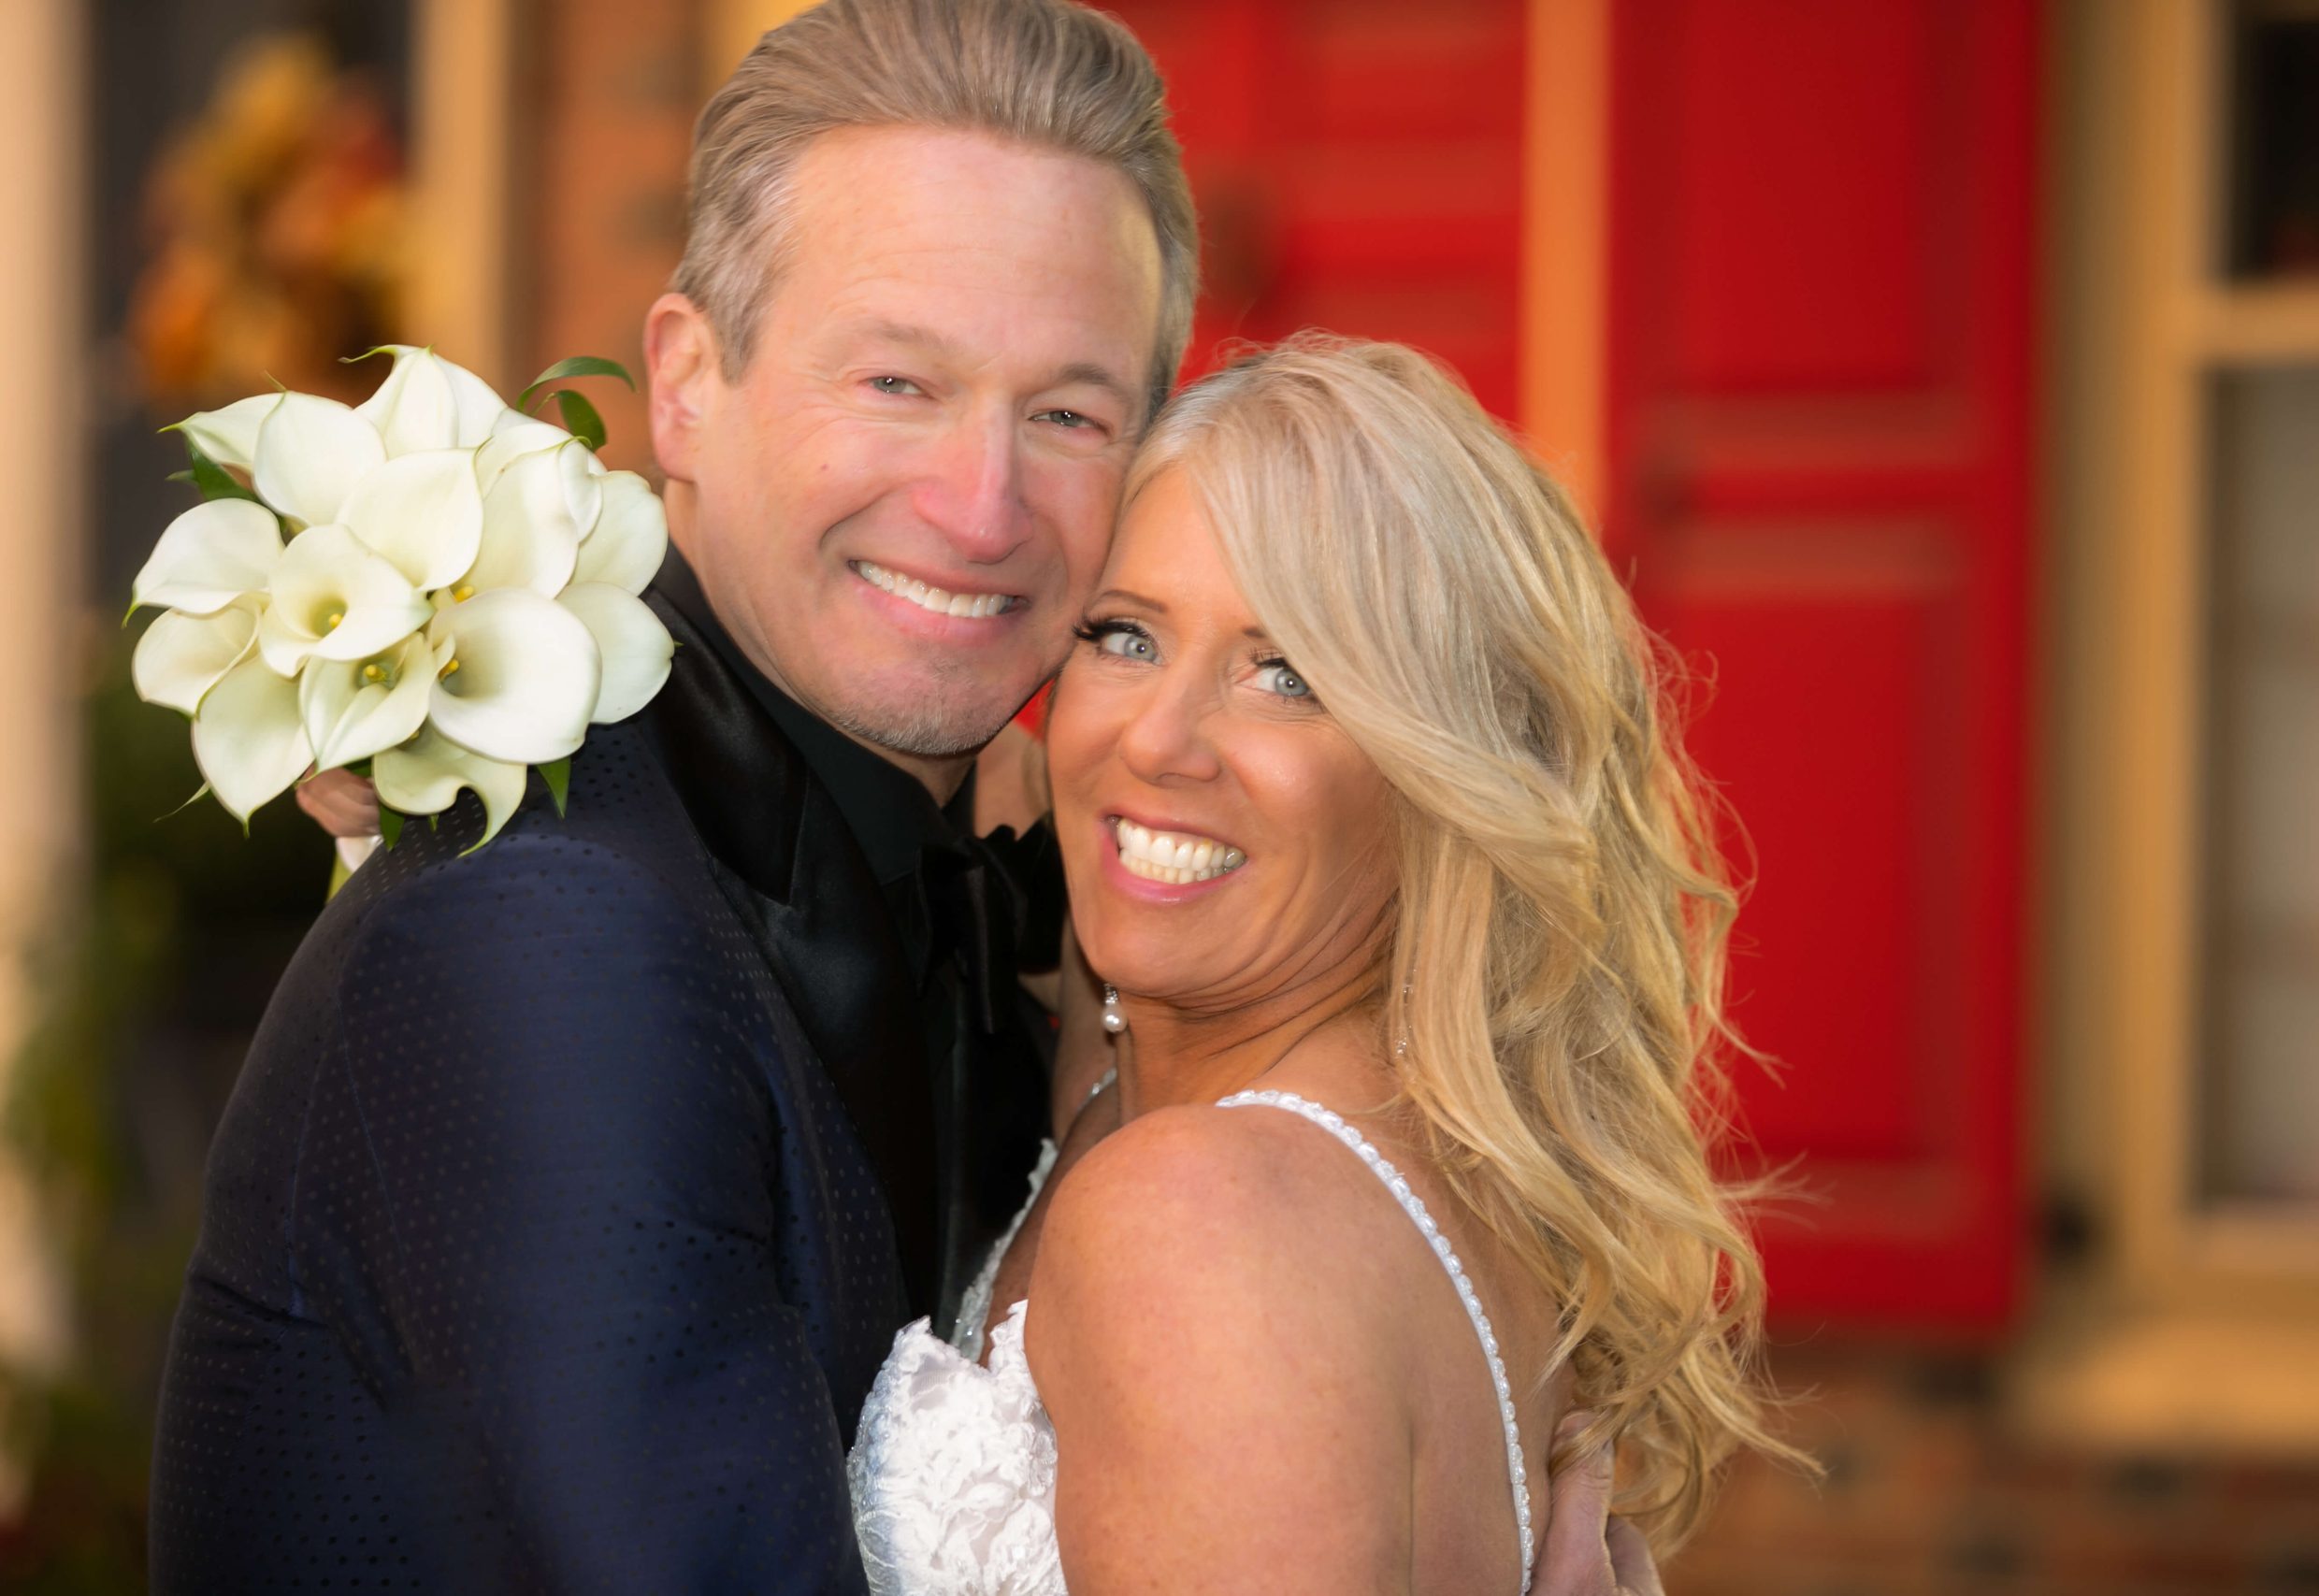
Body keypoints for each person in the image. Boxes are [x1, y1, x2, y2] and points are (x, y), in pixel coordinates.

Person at [152, 2, 1652, 1590]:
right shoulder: (551, 933)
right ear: (683, 384)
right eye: (895, 380)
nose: (979, 505)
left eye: (1068, 414)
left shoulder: (1086, 971)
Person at [847, 338, 1799, 1591]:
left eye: (1286, 675)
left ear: (1439, 772)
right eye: (1125, 636)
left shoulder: (1197, 1223)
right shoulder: (1152, 1036)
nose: (1159, 740)